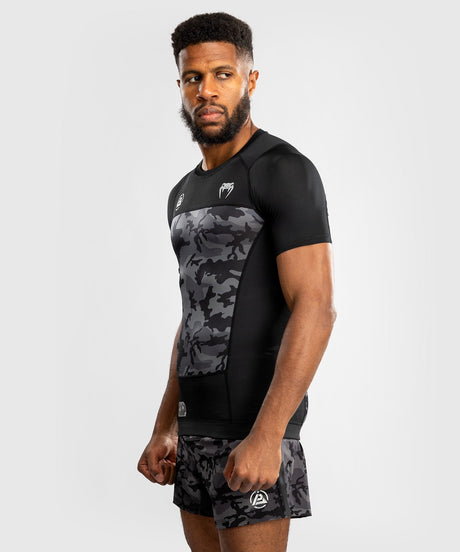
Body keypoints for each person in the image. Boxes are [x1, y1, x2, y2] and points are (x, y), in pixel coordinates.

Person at [138, 12, 337, 552]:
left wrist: (268, 435)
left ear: (250, 79)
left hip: (255, 430)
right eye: (193, 78)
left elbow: (316, 306)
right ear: (181, 85)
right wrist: (165, 426)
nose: (207, 90)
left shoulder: (281, 169)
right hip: (194, 431)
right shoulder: (182, 194)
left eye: (222, 74)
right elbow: (194, 314)